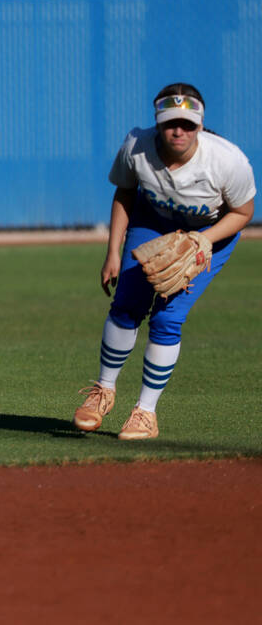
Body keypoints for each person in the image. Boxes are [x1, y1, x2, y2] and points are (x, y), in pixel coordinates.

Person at [73, 83, 255, 439]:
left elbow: (244, 212)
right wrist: (113, 251)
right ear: (158, 122)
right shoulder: (136, 148)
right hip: (152, 222)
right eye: (172, 122)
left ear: (200, 125)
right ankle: (103, 391)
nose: (179, 131)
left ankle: (145, 413)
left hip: (209, 235)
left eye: (188, 124)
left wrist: (203, 240)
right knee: (125, 304)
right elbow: (125, 192)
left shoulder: (228, 161)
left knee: (168, 317)